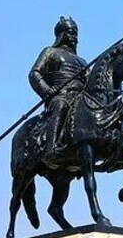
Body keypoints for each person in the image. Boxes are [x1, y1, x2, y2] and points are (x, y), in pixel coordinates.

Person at [28, 16, 88, 162]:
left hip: (79, 97)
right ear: (62, 34)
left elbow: (90, 80)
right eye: (71, 32)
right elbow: (34, 73)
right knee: (61, 105)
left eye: (76, 33)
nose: (74, 37)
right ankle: (51, 148)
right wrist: (46, 89)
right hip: (60, 95)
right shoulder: (50, 51)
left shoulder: (82, 61)